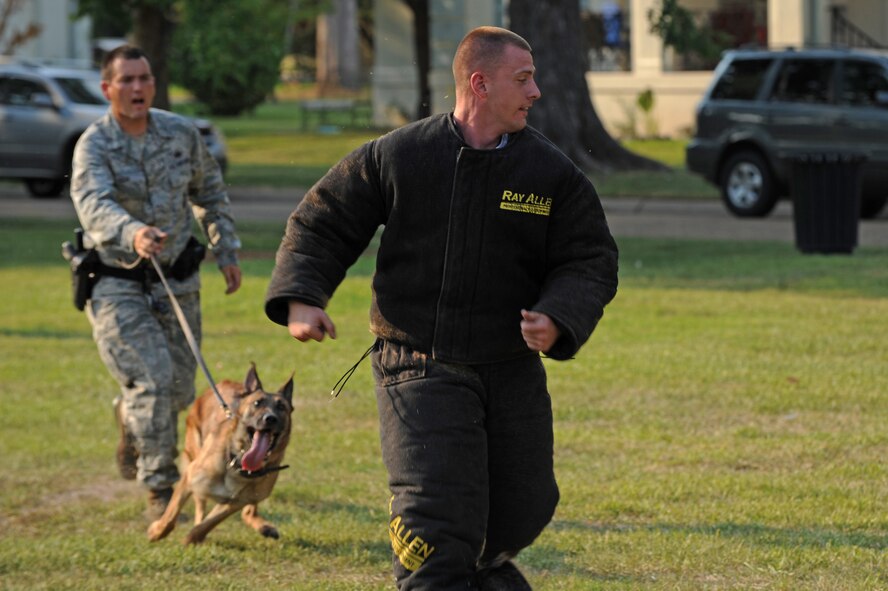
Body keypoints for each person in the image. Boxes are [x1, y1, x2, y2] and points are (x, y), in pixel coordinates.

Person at [265, 26, 618, 589]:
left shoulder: (551, 174)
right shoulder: (399, 155)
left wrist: (558, 313)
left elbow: (590, 258)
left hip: (508, 367)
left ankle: (477, 572)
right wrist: (303, 297)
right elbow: (321, 222)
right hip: (416, 363)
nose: (537, 92)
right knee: (436, 522)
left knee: (524, 507)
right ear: (479, 83)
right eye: (523, 79)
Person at [70, 45, 242, 520]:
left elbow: (209, 191)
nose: (138, 87)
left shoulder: (179, 134)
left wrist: (225, 249)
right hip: (116, 280)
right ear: (108, 89)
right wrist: (133, 231)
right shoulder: (94, 144)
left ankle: (130, 419)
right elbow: (94, 205)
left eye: (144, 78)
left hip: (177, 281)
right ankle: (160, 487)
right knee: (153, 379)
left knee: (181, 390)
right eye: (126, 80)